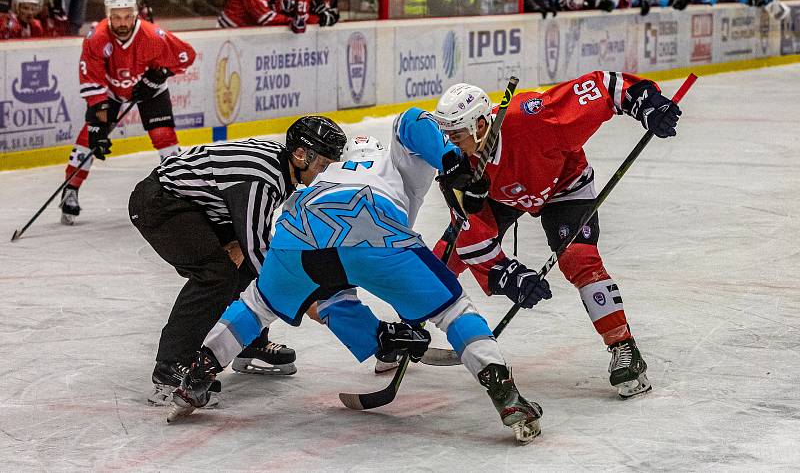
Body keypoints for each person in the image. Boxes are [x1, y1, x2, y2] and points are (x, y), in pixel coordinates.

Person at [166, 111, 553, 445]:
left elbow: (332, 295)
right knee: (453, 309)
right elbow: (412, 119)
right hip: (373, 227)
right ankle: (505, 393)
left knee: (256, 305)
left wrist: (376, 335)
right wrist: (451, 159)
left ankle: (197, 375)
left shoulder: (322, 173)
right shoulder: (397, 163)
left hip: (298, 232)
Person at [430, 72, 682, 399]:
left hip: (563, 184)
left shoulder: (535, 117)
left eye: (456, 134)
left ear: (480, 125)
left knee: (579, 259)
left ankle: (624, 348)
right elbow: (470, 237)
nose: (450, 143)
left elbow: (603, 87)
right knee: (447, 251)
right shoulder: (458, 166)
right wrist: (510, 276)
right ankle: (410, 322)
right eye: (446, 134)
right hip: (501, 194)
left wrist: (646, 103)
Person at [129, 116, 347, 405]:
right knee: (215, 275)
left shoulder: (282, 169)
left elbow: (253, 237)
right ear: (300, 155)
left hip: (196, 204)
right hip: (160, 204)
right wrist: (305, 303)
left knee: (242, 264)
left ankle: (248, 342)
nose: (325, 174)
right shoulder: (262, 179)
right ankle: (171, 366)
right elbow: (259, 252)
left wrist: (243, 244)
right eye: (323, 166)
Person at [60, 0, 195, 226]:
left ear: (135, 15)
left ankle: (180, 192)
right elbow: (93, 82)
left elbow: (186, 55)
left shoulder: (153, 36)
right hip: (111, 91)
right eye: (116, 17)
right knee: (89, 138)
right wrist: (98, 127)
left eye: (127, 16)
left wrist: (159, 75)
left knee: (164, 137)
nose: (122, 23)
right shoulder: (96, 38)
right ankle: (70, 189)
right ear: (108, 15)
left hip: (150, 91)